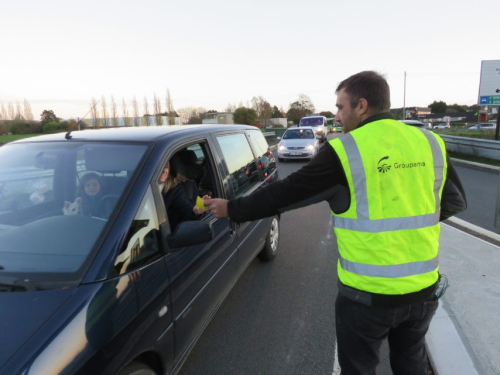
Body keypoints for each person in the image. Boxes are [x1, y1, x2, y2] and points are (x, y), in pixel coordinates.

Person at [204, 71, 467, 375]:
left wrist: (232, 209)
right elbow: (454, 202)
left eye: (341, 107)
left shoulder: (346, 151)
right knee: (411, 363)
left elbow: (286, 193)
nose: (337, 116)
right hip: (422, 291)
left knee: (359, 368)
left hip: (366, 298)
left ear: (362, 105)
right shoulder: (429, 142)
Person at [159, 157, 205, 232]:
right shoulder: (142, 187)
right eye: (160, 167)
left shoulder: (175, 189)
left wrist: (195, 212)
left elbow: (185, 209)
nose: (164, 170)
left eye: (166, 167)